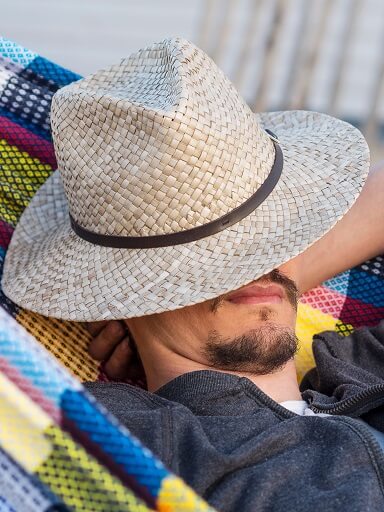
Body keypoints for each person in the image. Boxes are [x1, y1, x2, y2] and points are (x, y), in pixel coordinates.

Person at [2, 38, 384, 511]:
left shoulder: (358, 368)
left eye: (272, 231)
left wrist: (268, 276)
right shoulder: (128, 435)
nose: (258, 259)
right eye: (211, 251)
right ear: (123, 289)